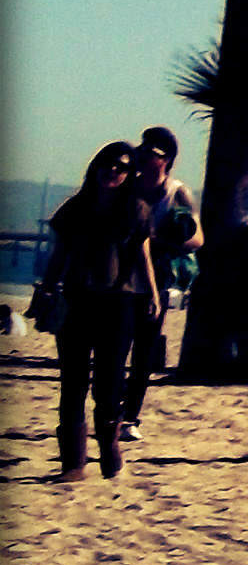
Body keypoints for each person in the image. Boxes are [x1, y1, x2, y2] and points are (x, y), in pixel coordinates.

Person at [44, 143, 158, 482]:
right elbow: (59, 254)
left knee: (109, 383)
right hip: (77, 298)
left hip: (118, 303)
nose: (113, 172)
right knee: (73, 381)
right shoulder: (75, 210)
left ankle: (110, 449)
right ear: (95, 168)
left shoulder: (135, 210)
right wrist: (48, 287)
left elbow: (143, 254)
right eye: (108, 165)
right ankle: (74, 464)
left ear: (129, 175)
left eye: (121, 168)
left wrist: (152, 293)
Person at [119, 127, 201, 444]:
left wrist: (160, 239)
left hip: (159, 278)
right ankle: (114, 408)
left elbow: (197, 237)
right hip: (122, 277)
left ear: (166, 159)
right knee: (117, 346)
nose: (142, 154)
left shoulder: (177, 192)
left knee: (144, 349)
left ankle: (131, 417)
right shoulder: (127, 186)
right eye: (142, 148)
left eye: (151, 150)